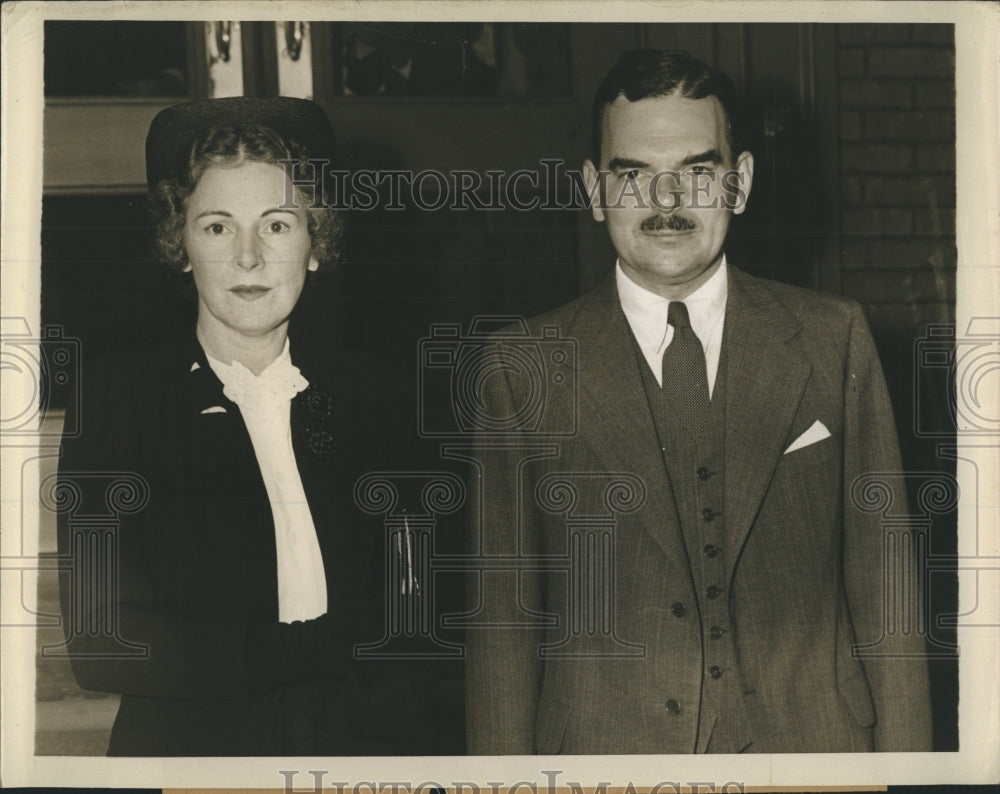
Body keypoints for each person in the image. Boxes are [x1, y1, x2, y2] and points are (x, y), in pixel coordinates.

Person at [465, 49, 932, 754]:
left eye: (696, 171)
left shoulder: (835, 339)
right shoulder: (522, 367)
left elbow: (887, 595)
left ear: (739, 183)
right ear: (594, 190)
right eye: (634, 176)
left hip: (811, 750)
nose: (666, 203)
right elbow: (502, 629)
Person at [55, 97, 438, 756]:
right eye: (217, 228)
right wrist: (305, 650)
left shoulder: (378, 392)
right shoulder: (121, 396)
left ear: (317, 244)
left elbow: (416, 607)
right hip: (196, 756)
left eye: (278, 226)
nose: (250, 258)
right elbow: (101, 641)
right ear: (180, 247)